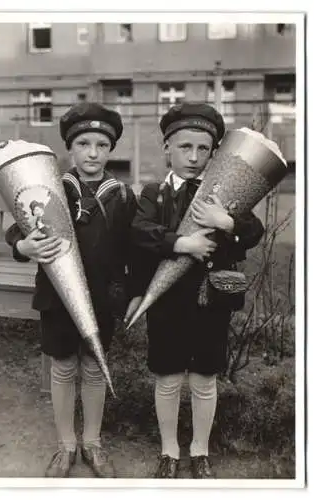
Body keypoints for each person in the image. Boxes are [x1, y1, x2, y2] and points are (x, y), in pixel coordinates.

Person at [126, 103, 264, 479]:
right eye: (185, 147)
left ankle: (199, 450)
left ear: (214, 152)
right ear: (166, 148)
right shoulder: (154, 193)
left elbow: (252, 234)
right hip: (168, 303)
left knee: (205, 377)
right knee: (168, 376)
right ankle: (169, 451)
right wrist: (180, 244)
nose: (194, 156)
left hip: (209, 301)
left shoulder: (223, 192)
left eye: (204, 149)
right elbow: (140, 234)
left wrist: (227, 221)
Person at [5, 103, 137, 478]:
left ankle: (92, 443)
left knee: (95, 368)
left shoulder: (123, 196)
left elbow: (133, 248)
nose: (92, 153)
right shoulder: (50, 187)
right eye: (83, 143)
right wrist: (23, 247)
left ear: (111, 150)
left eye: (101, 145)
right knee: (62, 367)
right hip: (57, 296)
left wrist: (129, 290)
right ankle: (65, 445)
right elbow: (20, 227)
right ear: (70, 148)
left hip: (101, 297)